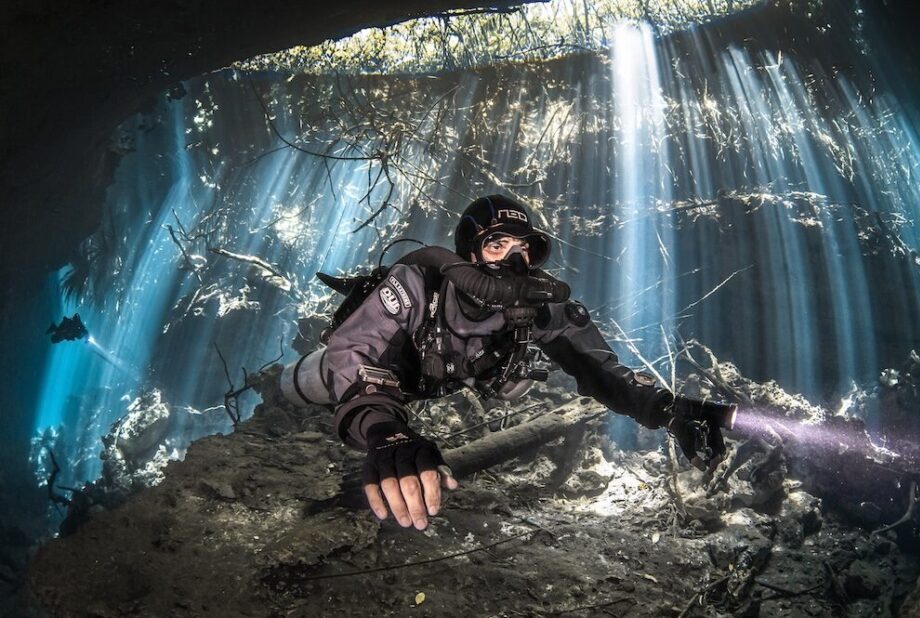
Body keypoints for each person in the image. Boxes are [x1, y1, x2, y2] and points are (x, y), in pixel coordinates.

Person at [281, 195, 733, 530]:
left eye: (526, 249)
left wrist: (667, 410)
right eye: (498, 245)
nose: (516, 262)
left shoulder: (538, 310)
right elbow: (355, 352)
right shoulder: (419, 283)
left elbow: (598, 368)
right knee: (313, 380)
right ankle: (279, 386)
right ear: (469, 253)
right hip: (390, 375)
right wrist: (385, 432)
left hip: (447, 380)